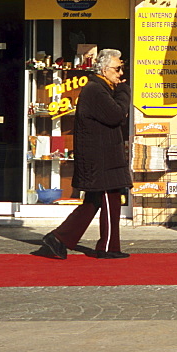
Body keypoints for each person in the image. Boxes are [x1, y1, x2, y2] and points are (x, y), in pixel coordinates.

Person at [42, 49, 132, 259]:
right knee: (110, 200)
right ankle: (108, 247)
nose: (120, 73)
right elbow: (116, 115)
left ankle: (59, 239)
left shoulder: (102, 89)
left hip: (102, 156)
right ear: (104, 69)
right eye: (117, 68)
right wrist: (124, 90)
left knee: (94, 202)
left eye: (121, 69)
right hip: (100, 158)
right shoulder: (95, 90)